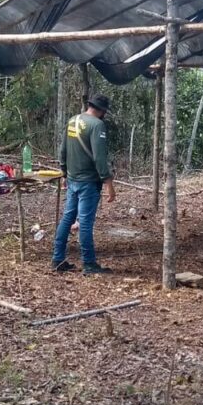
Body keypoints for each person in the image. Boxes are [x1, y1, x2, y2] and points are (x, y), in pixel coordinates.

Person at [51, 93, 116, 275]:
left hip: (73, 179)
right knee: (86, 223)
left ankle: (57, 259)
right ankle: (89, 264)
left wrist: (64, 172)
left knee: (67, 218)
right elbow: (99, 157)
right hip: (88, 182)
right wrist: (108, 182)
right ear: (102, 111)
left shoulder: (73, 120)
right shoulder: (97, 125)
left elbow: (63, 149)